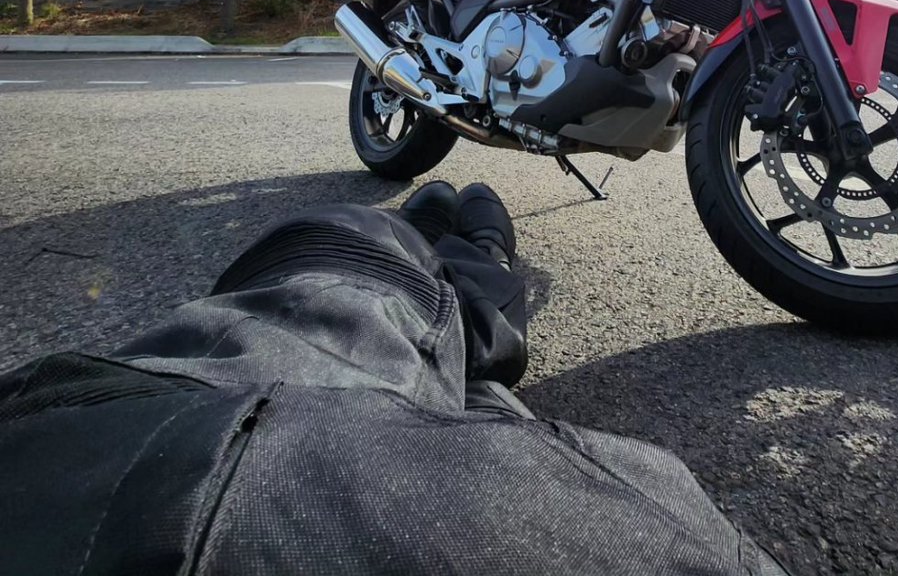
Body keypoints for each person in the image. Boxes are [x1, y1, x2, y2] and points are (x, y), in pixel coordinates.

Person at [0, 181, 788, 575]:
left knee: (367, 285)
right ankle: (459, 252)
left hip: (116, 450)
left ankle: (446, 253)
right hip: (455, 509)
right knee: (431, 342)